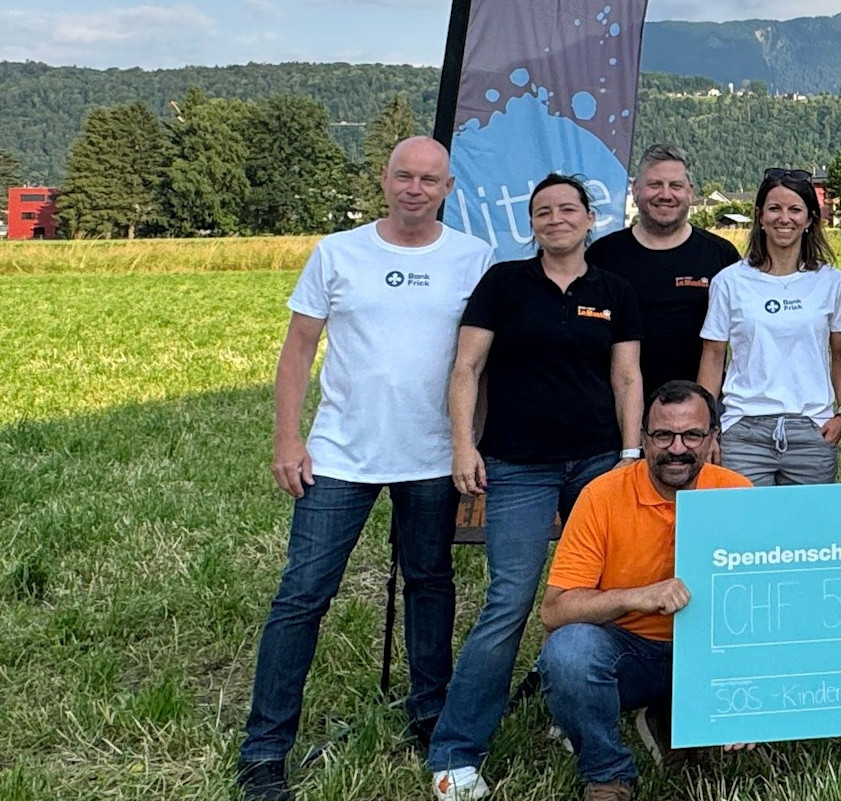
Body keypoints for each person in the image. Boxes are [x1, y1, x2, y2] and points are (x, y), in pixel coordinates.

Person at [237, 137, 492, 801]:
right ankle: (265, 750)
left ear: (448, 187)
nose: (415, 187)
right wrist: (287, 438)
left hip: (434, 454)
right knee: (302, 594)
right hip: (340, 454)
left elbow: (481, 363)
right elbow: (298, 349)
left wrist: (474, 441)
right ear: (384, 180)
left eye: (428, 179)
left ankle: (429, 712)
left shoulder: (473, 258)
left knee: (431, 584)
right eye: (404, 175)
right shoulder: (338, 251)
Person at [429, 173, 645, 801]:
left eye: (567, 209)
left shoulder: (614, 290)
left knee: (601, 597)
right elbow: (466, 367)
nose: (556, 219)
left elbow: (627, 377)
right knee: (509, 602)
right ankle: (456, 750)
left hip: (599, 463)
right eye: (543, 211)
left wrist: (630, 455)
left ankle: (572, 712)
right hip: (518, 465)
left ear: (588, 218)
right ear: (532, 225)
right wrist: (464, 444)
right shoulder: (503, 284)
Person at [538, 381, 751, 801]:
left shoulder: (737, 493)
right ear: (641, 438)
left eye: (692, 435)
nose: (677, 448)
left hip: (708, 656)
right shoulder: (601, 495)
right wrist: (635, 596)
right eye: (662, 436)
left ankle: (669, 719)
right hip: (628, 652)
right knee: (568, 652)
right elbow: (554, 612)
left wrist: (753, 696)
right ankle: (608, 774)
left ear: (712, 439)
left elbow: (764, 606)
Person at [698, 168, 841, 485]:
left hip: (812, 430)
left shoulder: (830, 281)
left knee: (808, 533)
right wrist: (707, 427)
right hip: (743, 431)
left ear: (810, 219)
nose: (785, 218)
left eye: (795, 209)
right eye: (774, 208)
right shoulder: (730, 281)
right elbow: (713, 356)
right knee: (746, 532)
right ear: (759, 216)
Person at [587, 144, 741, 394]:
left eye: (676, 186)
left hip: (699, 408)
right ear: (635, 190)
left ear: (690, 192)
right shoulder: (602, 255)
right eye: (655, 185)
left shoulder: (721, 256)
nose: (665, 194)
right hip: (616, 404)